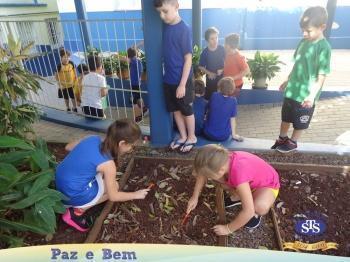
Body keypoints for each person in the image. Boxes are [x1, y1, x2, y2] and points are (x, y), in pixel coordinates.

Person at [55, 119, 150, 232]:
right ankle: (77, 211)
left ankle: (79, 201)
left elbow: (68, 147)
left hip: (59, 183)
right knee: (114, 186)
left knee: (100, 175)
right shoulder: (108, 165)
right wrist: (135, 194)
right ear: (121, 143)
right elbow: (114, 196)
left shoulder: (92, 138)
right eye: (131, 145)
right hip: (72, 193)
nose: (131, 148)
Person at [271, 6, 331, 153]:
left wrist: (311, 96)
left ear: (322, 27)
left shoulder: (324, 48)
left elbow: (321, 75)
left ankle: (293, 142)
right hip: (292, 90)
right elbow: (296, 62)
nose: (304, 34)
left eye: (308, 31)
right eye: (302, 30)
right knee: (285, 116)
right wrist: (287, 79)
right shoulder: (303, 42)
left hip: (306, 95)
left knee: (300, 120)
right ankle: (282, 137)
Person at [187, 144, 280, 235]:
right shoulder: (220, 160)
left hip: (266, 185)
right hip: (248, 182)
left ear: (221, 170)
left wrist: (228, 229)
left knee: (260, 207)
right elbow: (202, 173)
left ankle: (256, 212)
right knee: (221, 182)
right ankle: (238, 196)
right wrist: (195, 197)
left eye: (209, 176)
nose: (207, 177)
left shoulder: (239, 175)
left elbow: (248, 211)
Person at [154, 0, 197, 153]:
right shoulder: (164, 27)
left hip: (182, 81)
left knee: (186, 109)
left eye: (165, 11)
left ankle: (192, 137)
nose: (161, 16)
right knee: (175, 110)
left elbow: (188, 59)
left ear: (176, 6)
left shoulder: (184, 29)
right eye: (159, 12)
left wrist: (182, 84)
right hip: (168, 79)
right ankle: (183, 135)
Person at [203, 77, 243, 142]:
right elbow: (232, 120)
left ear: (219, 88)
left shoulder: (214, 95)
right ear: (232, 89)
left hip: (208, 133)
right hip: (223, 136)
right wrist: (234, 135)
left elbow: (207, 107)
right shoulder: (233, 101)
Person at [119, 47, 149, 123]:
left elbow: (127, 60)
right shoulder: (137, 61)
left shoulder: (135, 61)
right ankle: (144, 109)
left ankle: (138, 117)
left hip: (134, 83)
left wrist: (120, 57)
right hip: (136, 83)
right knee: (138, 97)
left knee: (134, 101)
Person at [198, 27, 225, 100]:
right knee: (211, 97)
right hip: (210, 80)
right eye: (212, 38)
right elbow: (201, 66)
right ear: (207, 40)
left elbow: (228, 62)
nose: (215, 40)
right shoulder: (205, 52)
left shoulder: (222, 49)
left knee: (222, 96)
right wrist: (209, 73)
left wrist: (222, 69)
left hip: (222, 79)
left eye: (216, 38)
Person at [55, 48, 78, 112]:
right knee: (66, 97)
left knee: (73, 97)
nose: (66, 59)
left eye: (68, 57)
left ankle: (74, 107)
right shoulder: (59, 66)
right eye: (64, 57)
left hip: (72, 84)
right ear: (61, 57)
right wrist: (59, 84)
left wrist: (76, 81)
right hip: (64, 86)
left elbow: (74, 72)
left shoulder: (71, 63)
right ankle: (68, 107)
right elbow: (56, 75)